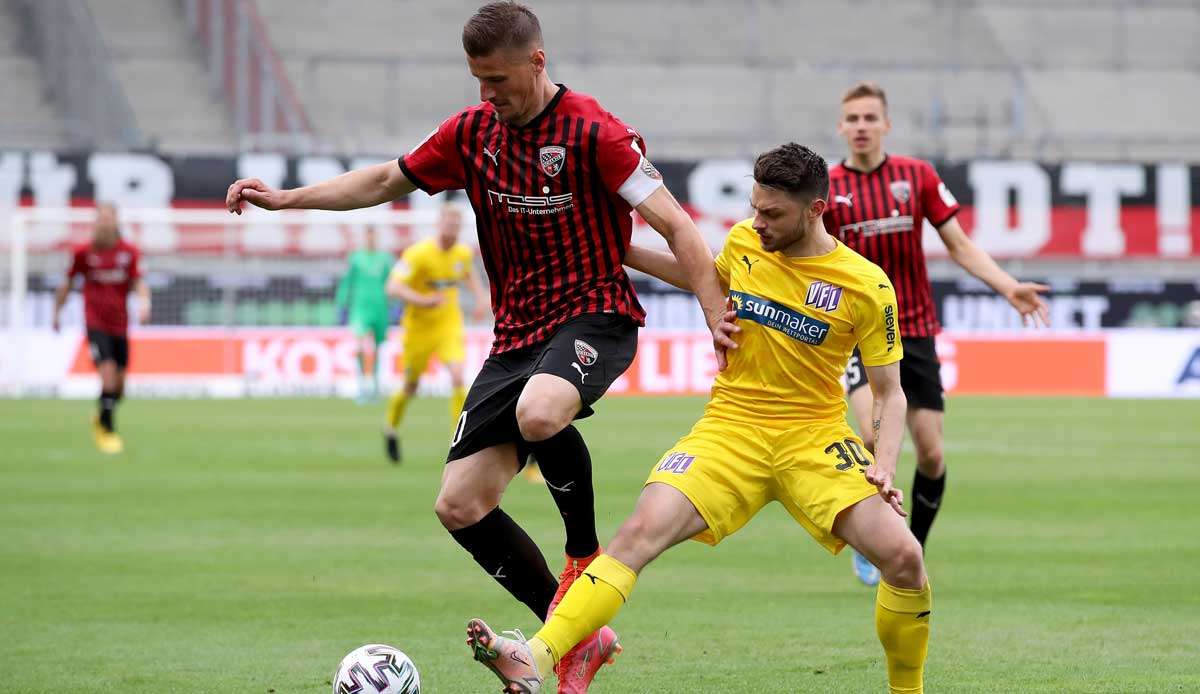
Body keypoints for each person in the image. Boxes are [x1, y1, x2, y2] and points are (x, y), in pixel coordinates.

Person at [224, 3, 735, 691]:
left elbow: (676, 226)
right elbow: (381, 181)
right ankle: (573, 633)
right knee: (459, 504)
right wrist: (287, 200)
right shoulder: (471, 135)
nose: (486, 94)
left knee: (540, 413)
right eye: (476, 80)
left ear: (537, 61)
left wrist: (713, 312)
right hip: (516, 336)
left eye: (497, 79)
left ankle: (583, 556)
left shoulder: (597, 133)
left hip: (594, 316)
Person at [465, 143, 932, 694]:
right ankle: (535, 657)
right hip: (730, 431)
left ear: (816, 210)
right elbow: (701, 275)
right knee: (637, 533)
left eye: (772, 214)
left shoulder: (867, 285)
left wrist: (885, 464)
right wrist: (618, 250)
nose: (757, 222)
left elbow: (889, 394)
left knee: (904, 556)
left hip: (815, 438)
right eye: (755, 207)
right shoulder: (744, 242)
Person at [826, 82, 1050, 586]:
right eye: (852, 119)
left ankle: (913, 547)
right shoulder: (827, 186)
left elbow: (961, 246)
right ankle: (873, 543)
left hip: (915, 331)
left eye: (869, 118)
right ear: (841, 127)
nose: (861, 126)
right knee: (870, 433)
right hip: (857, 331)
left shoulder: (917, 176)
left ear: (886, 124)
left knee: (930, 453)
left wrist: (1009, 286)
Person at [382, 202, 489, 463]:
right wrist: (422, 300)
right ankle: (390, 428)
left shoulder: (462, 253)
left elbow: (470, 275)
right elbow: (392, 287)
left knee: (456, 375)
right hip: (418, 329)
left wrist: (481, 299)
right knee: (411, 385)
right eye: (448, 223)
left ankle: (460, 440)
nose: (452, 229)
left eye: (456, 225)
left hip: (448, 325)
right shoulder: (418, 254)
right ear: (439, 223)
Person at [52, 203, 150, 454]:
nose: (105, 223)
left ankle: (102, 414)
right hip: (95, 323)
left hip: (120, 324)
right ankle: (107, 431)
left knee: (119, 386)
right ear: (95, 223)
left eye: (109, 218)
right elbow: (67, 283)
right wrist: (56, 312)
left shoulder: (129, 252)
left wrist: (143, 302)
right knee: (106, 373)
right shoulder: (84, 252)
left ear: (116, 222)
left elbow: (139, 281)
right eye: (101, 219)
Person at [335, 226, 395, 403]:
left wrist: (395, 305)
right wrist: (341, 304)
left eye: (373, 236)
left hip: (380, 307)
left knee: (377, 348)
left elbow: (392, 282)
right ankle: (362, 385)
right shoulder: (356, 258)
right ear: (364, 237)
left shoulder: (385, 259)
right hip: (360, 307)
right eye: (368, 236)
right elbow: (347, 282)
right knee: (361, 344)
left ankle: (375, 387)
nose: (371, 239)